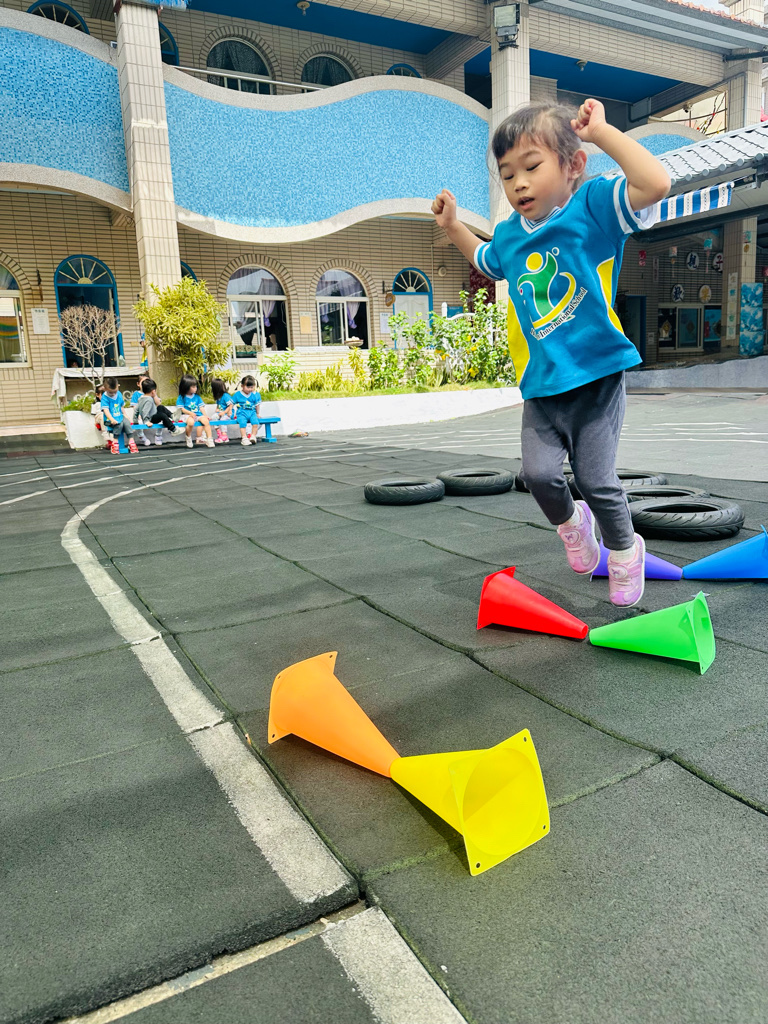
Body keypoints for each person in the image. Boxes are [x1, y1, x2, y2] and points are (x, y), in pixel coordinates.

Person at [432, 99, 670, 607]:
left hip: (597, 374)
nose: (519, 184)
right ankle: (571, 523)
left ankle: (625, 551)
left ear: (573, 165)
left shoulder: (594, 208)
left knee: (595, 479)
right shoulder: (510, 236)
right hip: (543, 383)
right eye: (507, 175)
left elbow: (655, 184)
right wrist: (453, 225)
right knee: (538, 475)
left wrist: (601, 133)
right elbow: (485, 259)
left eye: (532, 167)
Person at [136, 377, 178, 447]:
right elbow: (144, 411)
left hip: (152, 414)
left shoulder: (146, 397)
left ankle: (172, 416)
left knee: (161, 407)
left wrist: (154, 395)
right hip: (150, 418)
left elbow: (158, 404)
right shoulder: (148, 399)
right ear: (153, 390)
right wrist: (146, 421)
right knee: (162, 415)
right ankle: (173, 429)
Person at [100, 377, 138, 454]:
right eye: (110, 392)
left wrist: (125, 415)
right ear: (105, 389)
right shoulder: (104, 397)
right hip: (109, 419)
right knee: (119, 424)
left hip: (119, 416)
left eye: (115, 392)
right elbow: (106, 410)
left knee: (126, 423)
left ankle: (131, 441)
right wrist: (112, 419)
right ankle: (115, 442)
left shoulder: (119, 394)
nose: (113, 394)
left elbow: (121, 407)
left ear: (118, 386)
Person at [176, 374, 214, 449]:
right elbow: (182, 409)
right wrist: (190, 413)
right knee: (190, 422)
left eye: (196, 386)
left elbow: (201, 407)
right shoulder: (181, 397)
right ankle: (188, 437)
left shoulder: (197, 397)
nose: (195, 388)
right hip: (186, 415)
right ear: (186, 387)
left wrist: (205, 415)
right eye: (193, 387)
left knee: (206, 421)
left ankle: (209, 439)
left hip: (197, 415)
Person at [232, 375, 262, 446]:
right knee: (242, 424)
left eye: (252, 387)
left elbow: (257, 405)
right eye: (248, 387)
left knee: (255, 423)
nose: (250, 389)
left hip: (252, 412)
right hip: (242, 412)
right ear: (242, 386)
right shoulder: (237, 394)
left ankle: (253, 436)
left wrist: (257, 413)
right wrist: (233, 413)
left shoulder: (254, 395)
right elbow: (232, 404)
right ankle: (244, 438)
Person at [211, 378, 234, 444]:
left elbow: (230, 405)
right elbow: (218, 405)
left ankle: (224, 435)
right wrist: (217, 409)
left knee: (223, 420)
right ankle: (219, 434)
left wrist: (224, 412)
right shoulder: (218, 397)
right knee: (213, 417)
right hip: (221, 413)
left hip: (228, 414)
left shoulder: (225, 396)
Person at [129, 372, 151, 445]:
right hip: (141, 415)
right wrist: (139, 415)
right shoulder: (136, 394)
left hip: (150, 414)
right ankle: (142, 437)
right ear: (138, 384)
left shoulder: (151, 393)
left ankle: (158, 435)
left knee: (161, 420)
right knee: (139, 422)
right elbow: (135, 407)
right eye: (143, 382)